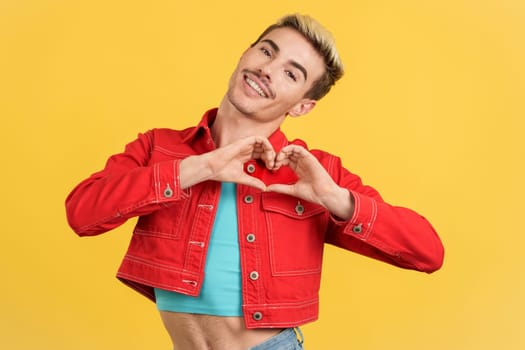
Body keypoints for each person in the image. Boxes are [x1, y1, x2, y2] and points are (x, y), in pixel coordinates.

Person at [65, 14, 444, 350]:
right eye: (267, 52)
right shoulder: (159, 147)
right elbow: (82, 213)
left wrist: (334, 197)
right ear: (246, 54)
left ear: (301, 106)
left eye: (291, 73)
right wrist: (197, 168)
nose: (268, 69)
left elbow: (428, 252)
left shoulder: (315, 173)